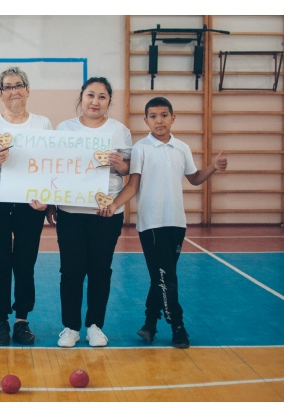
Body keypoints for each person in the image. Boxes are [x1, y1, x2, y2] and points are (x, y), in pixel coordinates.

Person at [98, 96, 228, 349]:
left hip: (177, 223)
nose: (159, 120)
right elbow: (132, 185)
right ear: (146, 120)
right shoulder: (140, 149)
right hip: (151, 224)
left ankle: (149, 324)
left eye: (164, 115)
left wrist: (212, 167)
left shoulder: (182, 148)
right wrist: (114, 204)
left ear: (173, 118)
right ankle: (178, 327)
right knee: (167, 278)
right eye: (153, 116)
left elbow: (194, 178)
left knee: (162, 277)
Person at [47, 77, 132, 348]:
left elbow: (127, 170)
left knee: (100, 270)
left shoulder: (119, 131)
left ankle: (95, 325)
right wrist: (50, 201)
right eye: (90, 95)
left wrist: (120, 164)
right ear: (81, 97)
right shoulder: (64, 128)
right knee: (70, 271)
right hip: (70, 211)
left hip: (105, 212)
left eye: (102, 96)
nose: (95, 101)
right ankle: (70, 327)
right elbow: (54, 168)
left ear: (109, 101)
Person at [0, 67, 52, 346]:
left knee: (25, 261)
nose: (14, 91)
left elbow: (50, 167)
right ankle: (1, 320)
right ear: (0, 94)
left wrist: (48, 200)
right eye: (7, 87)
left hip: (31, 202)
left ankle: (22, 320)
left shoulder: (43, 124)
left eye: (19, 85)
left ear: (28, 90)